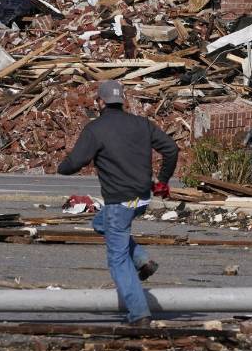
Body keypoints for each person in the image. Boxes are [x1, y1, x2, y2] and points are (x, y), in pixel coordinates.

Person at [57, 80, 178, 325]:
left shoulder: (96, 129)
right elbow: (171, 149)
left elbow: (75, 163)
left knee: (117, 259)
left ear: (99, 102)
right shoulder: (141, 124)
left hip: (119, 204)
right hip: (142, 199)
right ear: (122, 100)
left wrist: (63, 167)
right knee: (100, 224)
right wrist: (162, 181)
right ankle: (142, 260)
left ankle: (139, 314)